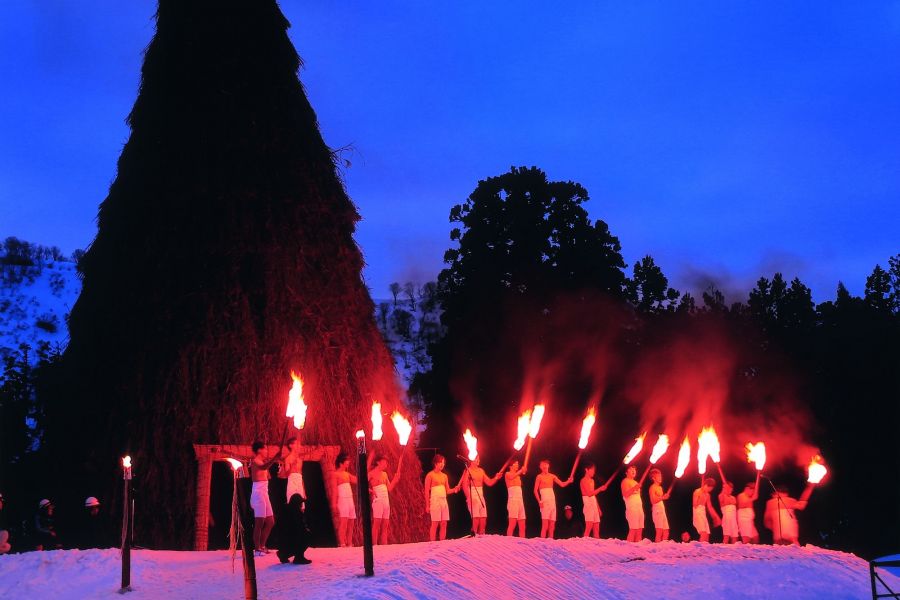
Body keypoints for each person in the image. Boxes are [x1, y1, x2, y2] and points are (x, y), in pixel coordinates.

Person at [458, 456, 503, 536]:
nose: (479, 460)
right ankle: (473, 536)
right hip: (472, 494)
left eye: (479, 458)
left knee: (483, 518)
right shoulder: (468, 471)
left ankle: (482, 537)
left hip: (480, 494)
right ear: (471, 460)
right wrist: (468, 497)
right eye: (476, 459)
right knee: (476, 519)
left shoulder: (481, 471)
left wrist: (496, 478)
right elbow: (464, 485)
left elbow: (489, 482)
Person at [250, 440, 281, 555]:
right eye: (265, 448)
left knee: (270, 521)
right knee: (260, 521)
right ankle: (257, 548)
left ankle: (262, 545)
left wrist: (276, 461)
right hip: (258, 493)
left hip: (264, 493)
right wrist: (274, 458)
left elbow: (266, 472)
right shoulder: (255, 461)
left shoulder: (262, 461)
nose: (266, 450)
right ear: (259, 450)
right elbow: (263, 467)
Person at [533, 459, 574, 539]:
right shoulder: (539, 476)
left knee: (552, 525)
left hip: (552, 501)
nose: (544, 466)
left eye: (546, 464)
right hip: (544, 501)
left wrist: (568, 481)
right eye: (542, 465)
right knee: (545, 525)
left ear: (548, 465)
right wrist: (539, 501)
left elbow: (562, 484)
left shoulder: (552, 476)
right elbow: (535, 490)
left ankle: (550, 543)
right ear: (540, 467)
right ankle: (542, 543)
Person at [424, 454, 460, 541]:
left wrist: (455, 489)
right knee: (435, 523)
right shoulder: (430, 475)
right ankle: (432, 543)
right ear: (435, 463)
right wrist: (427, 505)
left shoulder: (445, 476)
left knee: (444, 523)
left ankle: (442, 542)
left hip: (444, 501)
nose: (442, 464)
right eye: (440, 462)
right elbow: (426, 491)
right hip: (435, 501)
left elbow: (447, 490)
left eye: (443, 463)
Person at [368, 454, 403, 545]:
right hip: (378, 499)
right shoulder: (371, 474)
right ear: (378, 462)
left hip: (386, 500)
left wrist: (395, 480)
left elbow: (389, 488)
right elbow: (362, 485)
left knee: (385, 525)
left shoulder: (385, 474)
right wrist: (371, 491)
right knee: (377, 524)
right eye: (385, 462)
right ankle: (374, 545)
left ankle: (384, 545)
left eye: (387, 463)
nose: (386, 464)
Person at [276, 494, 311, 565]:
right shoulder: (296, 512)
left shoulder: (285, 510)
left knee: (297, 536)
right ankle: (299, 557)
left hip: (281, 541)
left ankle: (283, 554)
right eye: (300, 502)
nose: (302, 504)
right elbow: (299, 528)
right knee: (307, 535)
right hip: (290, 539)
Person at [332, 452, 357, 548]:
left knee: (351, 522)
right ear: (341, 463)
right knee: (344, 522)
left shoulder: (347, 474)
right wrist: (334, 503)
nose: (348, 463)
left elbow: (357, 480)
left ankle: (349, 542)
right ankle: (342, 542)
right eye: (346, 461)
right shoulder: (335, 474)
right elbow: (334, 490)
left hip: (350, 499)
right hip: (342, 500)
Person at [579, 462, 608, 539]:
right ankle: (584, 544)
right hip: (588, 504)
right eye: (592, 470)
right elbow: (589, 494)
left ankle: (597, 546)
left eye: (594, 470)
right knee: (589, 526)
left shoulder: (592, 481)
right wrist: (600, 489)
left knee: (597, 527)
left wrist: (598, 508)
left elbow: (593, 495)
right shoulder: (583, 480)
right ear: (586, 470)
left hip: (593, 504)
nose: (594, 472)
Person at [621, 465, 647, 542]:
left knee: (640, 530)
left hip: (639, 508)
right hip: (632, 508)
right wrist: (634, 488)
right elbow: (625, 494)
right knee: (633, 530)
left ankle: (637, 551)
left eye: (634, 469)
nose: (633, 470)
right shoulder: (625, 481)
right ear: (626, 472)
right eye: (631, 469)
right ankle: (629, 551)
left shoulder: (636, 482)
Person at [692, 478, 721, 543]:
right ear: (706, 485)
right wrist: (699, 497)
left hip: (703, 513)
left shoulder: (708, 495)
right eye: (709, 488)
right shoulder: (697, 491)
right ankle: (700, 551)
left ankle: (704, 550)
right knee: (703, 533)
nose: (710, 490)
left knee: (707, 535)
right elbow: (694, 505)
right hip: (697, 512)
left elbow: (710, 507)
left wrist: (716, 517)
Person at [504, 459, 528, 537]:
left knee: (522, 525)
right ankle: (509, 541)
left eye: (518, 463)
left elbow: (520, 474)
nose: (517, 465)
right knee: (512, 524)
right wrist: (521, 470)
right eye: (516, 464)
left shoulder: (518, 476)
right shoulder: (507, 474)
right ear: (511, 466)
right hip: (513, 500)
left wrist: (523, 471)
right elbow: (512, 477)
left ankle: (523, 542)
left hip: (520, 501)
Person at [648, 468, 671, 542]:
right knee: (659, 532)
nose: (660, 478)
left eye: (661, 476)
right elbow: (653, 501)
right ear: (653, 478)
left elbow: (660, 499)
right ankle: (657, 549)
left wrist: (664, 497)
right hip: (657, 510)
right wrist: (663, 497)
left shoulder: (660, 488)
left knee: (666, 531)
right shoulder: (652, 487)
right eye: (658, 476)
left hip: (662, 509)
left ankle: (663, 548)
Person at [737, 479, 760, 544]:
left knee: (756, 538)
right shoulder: (741, 495)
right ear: (747, 488)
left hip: (749, 521)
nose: (753, 493)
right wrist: (752, 499)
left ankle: (753, 553)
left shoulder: (748, 497)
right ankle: (745, 553)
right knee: (746, 540)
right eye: (752, 490)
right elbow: (741, 505)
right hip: (744, 520)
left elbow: (756, 494)